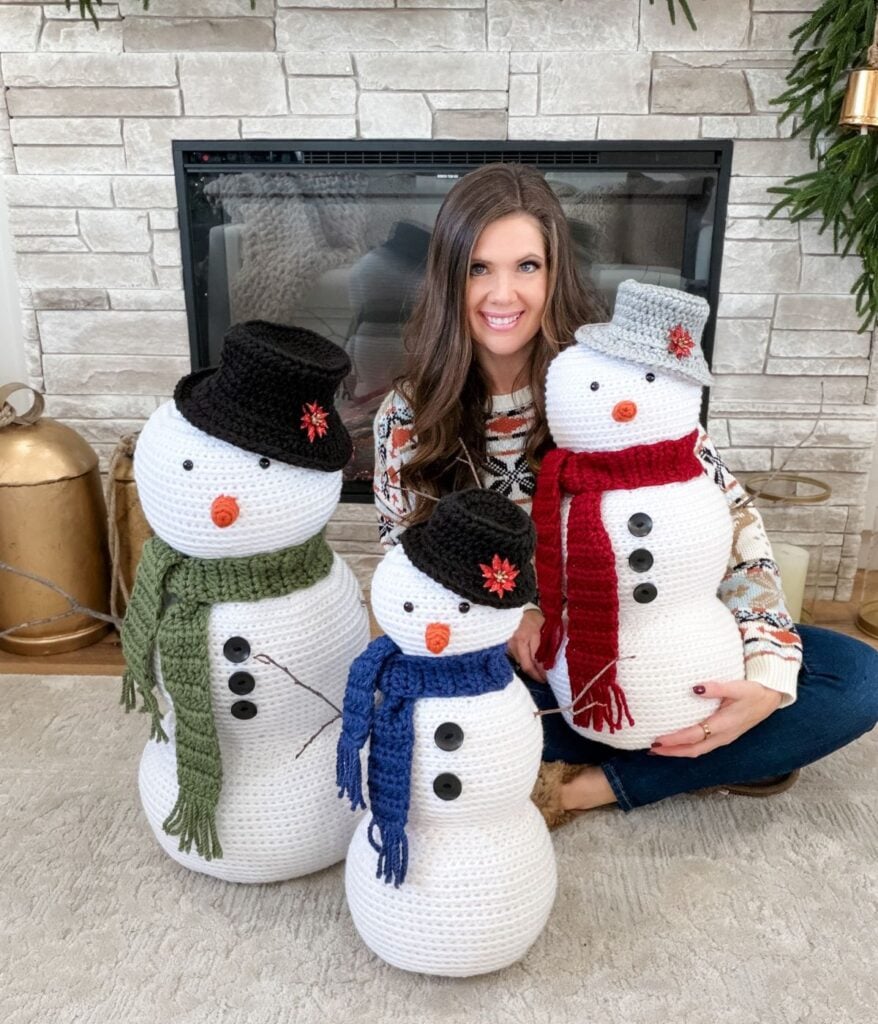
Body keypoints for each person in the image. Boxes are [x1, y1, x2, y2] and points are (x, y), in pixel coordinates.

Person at [372, 162, 878, 825]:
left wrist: (764, 676)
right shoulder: (407, 417)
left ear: (556, 272)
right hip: (518, 667)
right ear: (448, 277)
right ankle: (697, 757)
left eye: (527, 266)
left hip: (658, 643)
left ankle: (585, 787)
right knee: (405, 708)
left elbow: (733, 525)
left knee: (855, 680)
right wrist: (515, 619)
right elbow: (407, 569)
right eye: (478, 268)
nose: (503, 293)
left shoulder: (621, 378)